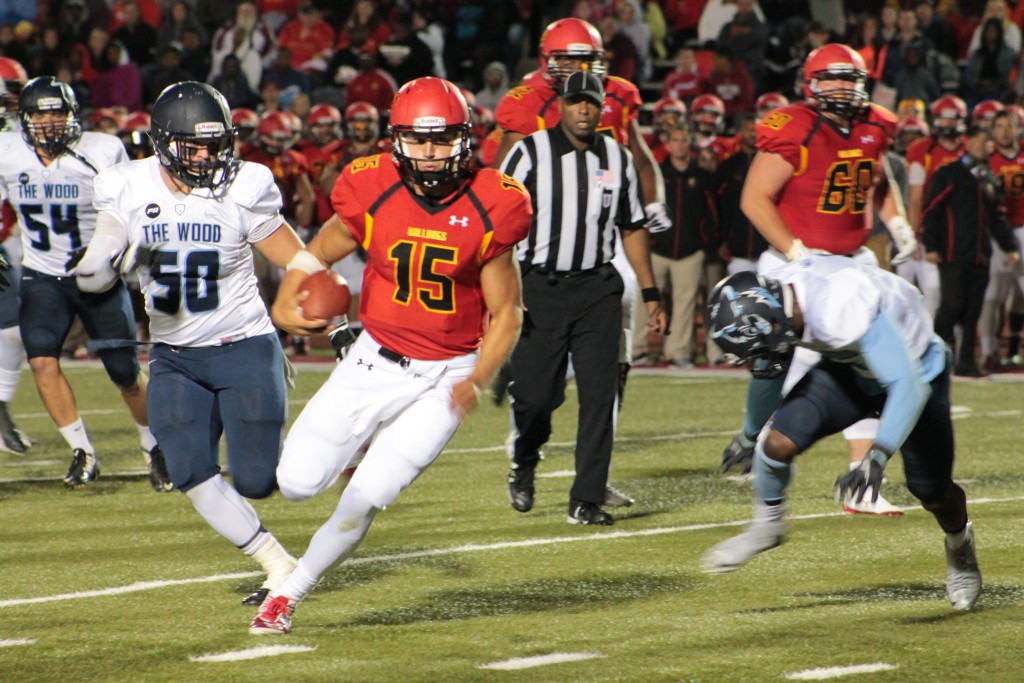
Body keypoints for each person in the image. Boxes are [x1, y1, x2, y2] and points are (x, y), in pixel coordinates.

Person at [248, 77, 531, 635]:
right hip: (375, 358)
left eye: (442, 140)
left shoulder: (493, 201)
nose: (430, 154)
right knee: (299, 482)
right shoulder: (372, 186)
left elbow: (509, 312)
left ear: (464, 139)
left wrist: (477, 378)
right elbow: (322, 247)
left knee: (366, 498)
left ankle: (288, 595)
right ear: (396, 140)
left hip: (446, 374)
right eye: (418, 141)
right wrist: (288, 289)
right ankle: (361, 450)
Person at [72, 80, 304, 606]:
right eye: (192, 147)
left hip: (242, 343)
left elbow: (291, 253)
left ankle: (332, 445)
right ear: (160, 142)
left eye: (214, 145)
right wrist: (99, 264)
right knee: (187, 468)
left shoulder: (246, 184)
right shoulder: (125, 184)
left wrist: (313, 280)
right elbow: (102, 246)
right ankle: (277, 563)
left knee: (255, 479)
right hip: (176, 357)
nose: (205, 157)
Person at [701, 258, 984, 613]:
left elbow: (907, 385)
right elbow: (769, 368)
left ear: (773, 320)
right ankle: (767, 527)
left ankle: (959, 545)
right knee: (775, 443)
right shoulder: (778, 300)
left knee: (932, 492)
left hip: (917, 370)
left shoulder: (839, 305)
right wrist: (748, 435)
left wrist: (876, 457)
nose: (754, 361)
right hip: (852, 368)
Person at [718, 44, 913, 517]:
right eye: (831, 78)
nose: (842, 87)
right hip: (794, 263)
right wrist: (794, 250)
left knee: (864, 366)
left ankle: (860, 481)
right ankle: (750, 437)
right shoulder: (796, 127)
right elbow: (754, 198)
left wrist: (899, 221)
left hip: (853, 262)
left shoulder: (874, 125)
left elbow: (874, 181)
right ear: (811, 83)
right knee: (772, 358)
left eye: (850, 78)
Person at [501, 71, 666, 526]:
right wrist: (503, 289)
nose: (584, 110)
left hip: (598, 287)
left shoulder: (618, 155)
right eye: (576, 102)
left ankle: (585, 499)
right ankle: (525, 460)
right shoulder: (529, 152)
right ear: (561, 105)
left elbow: (631, 226)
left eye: (591, 103)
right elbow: (497, 223)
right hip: (540, 287)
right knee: (537, 397)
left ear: (601, 107)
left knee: (600, 395)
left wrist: (651, 293)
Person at [0, 76, 168, 490]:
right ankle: (83, 452)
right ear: (24, 118)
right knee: (41, 360)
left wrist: (124, 249)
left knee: (125, 374)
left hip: (97, 276)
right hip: (42, 276)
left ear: (74, 116)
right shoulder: (7, 151)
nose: (50, 121)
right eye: (40, 113)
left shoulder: (102, 148)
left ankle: (155, 448)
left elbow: (132, 207)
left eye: (58, 112)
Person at [921, 124, 1021, 376]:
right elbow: (931, 209)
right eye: (979, 140)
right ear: (969, 141)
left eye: (987, 142)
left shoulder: (988, 177)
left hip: (980, 254)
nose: (984, 145)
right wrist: (930, 245)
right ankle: (931, 358)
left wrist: (1009, 246)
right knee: (951, 307)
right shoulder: (950, 173)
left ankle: (966, 362)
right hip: (953, 252)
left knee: (972, 311)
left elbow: (997, 217)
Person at [632, 122, 717, 368]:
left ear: (689, 144)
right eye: (675, 140)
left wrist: (705, 241)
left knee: (685, 305)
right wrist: (648, 240)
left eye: (684, 139)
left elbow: (711, 213)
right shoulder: (656, 174)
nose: (680, 144)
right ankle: (637, 350)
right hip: (656, 250)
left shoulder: (700, 177)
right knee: (643, 300)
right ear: (667, 144)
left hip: (690, 252)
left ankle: (678, 352)